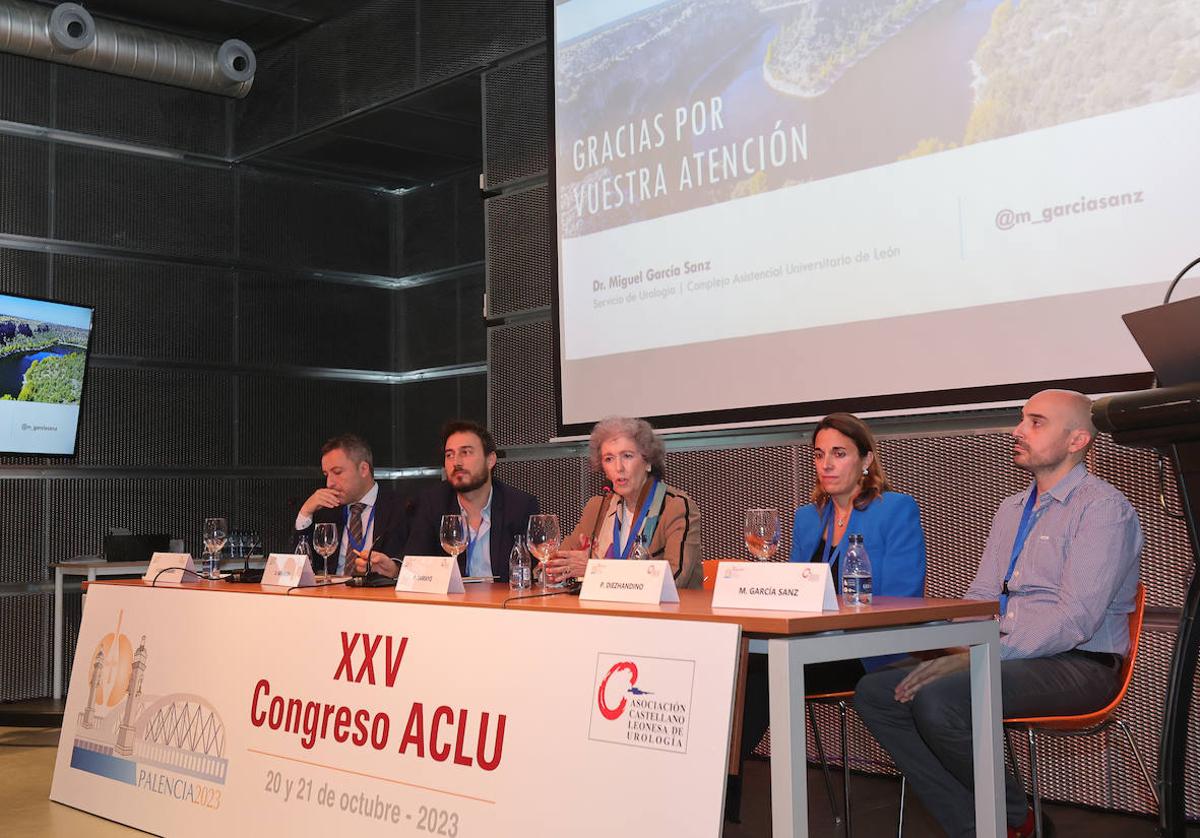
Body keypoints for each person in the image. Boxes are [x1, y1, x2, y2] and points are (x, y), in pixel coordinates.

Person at [854, 389, 1144, 838]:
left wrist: (981, 655)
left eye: (1036, 422)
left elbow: (1074, 620)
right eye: (1021, 420)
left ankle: (1009, 820)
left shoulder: (1103, 509)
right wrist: (942, 638)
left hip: (1080, 663)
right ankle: (989, 825)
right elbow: (983, 595)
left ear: (1077, 441)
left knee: (940, 700)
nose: (1018, 431)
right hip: (1009, 653)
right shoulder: (1011, 508)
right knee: (877, 691)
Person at [734, 413, 926, 812]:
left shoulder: (895, 509)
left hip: (869, 648)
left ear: (866, 460)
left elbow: (903, 594)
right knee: (740, 664)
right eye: (819, 454)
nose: (826, 464)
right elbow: (794, 589)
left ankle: (720, 793)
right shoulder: (808, 517)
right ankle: (719, 785)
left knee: (761, 673)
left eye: (839, 453)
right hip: (811, 647)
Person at [546, 416, 701, 588]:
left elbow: (675, 579)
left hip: (664, 613)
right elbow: (550, 569)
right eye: (609, 459)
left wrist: (597, 568)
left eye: (627, 456)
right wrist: (553, 571)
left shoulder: (675, 507)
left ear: (648, 461)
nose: (618, 467)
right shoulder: (597, 508)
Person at [404, 420, 540, 582]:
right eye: (449, 455)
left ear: (490, 460)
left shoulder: (520, 506)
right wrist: (395, 568)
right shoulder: (432, 503)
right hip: (449, 603)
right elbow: (416, 567)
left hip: (503, 603)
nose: (456, 462)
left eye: (466, 452)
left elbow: (534, 571)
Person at [294, 433, 410, 577]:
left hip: (378, 596)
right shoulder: (326, 509)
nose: (329, 483)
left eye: (337, 472)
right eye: (326, 475)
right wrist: (305, 512)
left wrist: (395, 570)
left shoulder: (403, 507)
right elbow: (297, 567)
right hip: (330, 594)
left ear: (363, 469)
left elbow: (416, 563)